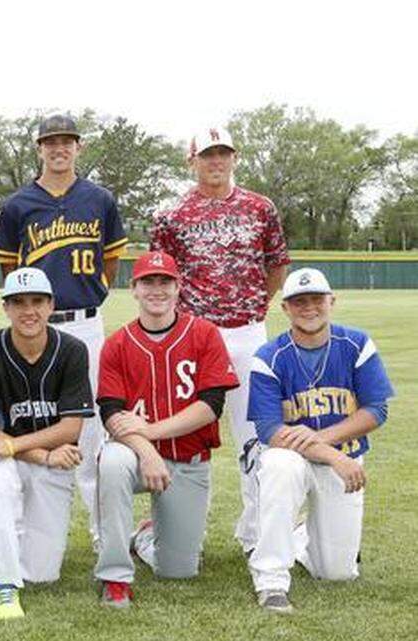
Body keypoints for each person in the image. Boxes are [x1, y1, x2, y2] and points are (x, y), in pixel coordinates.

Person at [151, 126, 290, 556]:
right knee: (186, 436)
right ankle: (181, 531)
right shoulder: (171, 215)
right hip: (194, 337)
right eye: (207, 154)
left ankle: (255, 534)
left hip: (248, 331)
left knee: (254, 433)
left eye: (223, 153)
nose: (216, 161)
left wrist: (255, 303)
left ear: (234, 157)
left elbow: (276, 265)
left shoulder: (260, 207)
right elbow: (162, 278)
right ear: (191, 161)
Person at [0, 114, 127, 542]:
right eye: (51, 142)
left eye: (67, 141)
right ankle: (23, 528)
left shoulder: (99, 199)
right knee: (28, 417)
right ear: (39, 148)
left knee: (91, 429)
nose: (59, 149)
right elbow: (10, 268)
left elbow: (110, 259)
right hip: (34, 326)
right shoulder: (18, 205)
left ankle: (102, 533)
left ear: (78, 147)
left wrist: (95, 289)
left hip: (84, 324)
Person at [92, 251, 239, 608]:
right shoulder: (117, 344)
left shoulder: (204, 334)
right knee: (111, 462)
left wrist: (151, 431)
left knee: (178, 571)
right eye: (148, 282)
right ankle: (115, 578)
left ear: (178, 287)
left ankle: (144, 537)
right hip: (134, 457)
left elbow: (211, 406)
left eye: (164, 282)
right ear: (134, 289)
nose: (156, 290)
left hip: (187, 460)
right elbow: (111, 413)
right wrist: (146, 451)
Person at [247, 268, 393, 613]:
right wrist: (333, 454)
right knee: (279, 467)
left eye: (316, 299)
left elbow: (376, 410)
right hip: (292, 458)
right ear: (285, 308)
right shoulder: (269, 356)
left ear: (331, 301)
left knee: (337, 573)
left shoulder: (356, 344)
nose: (309, 308)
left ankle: (300, 534)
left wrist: (322, 441)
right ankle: (271, 581)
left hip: (341, 462)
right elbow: (270, 430)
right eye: (299, 301)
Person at [0, 267, 94, 619]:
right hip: (20, 459)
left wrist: (17, 446)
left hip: (48, 459)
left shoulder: (72, 350)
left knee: (42, 573)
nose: (29, 311)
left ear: (51, 305)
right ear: (5, 308)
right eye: (19, 302)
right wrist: (41, 455)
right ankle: (2, 584)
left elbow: (71, 427)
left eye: (37, 301)